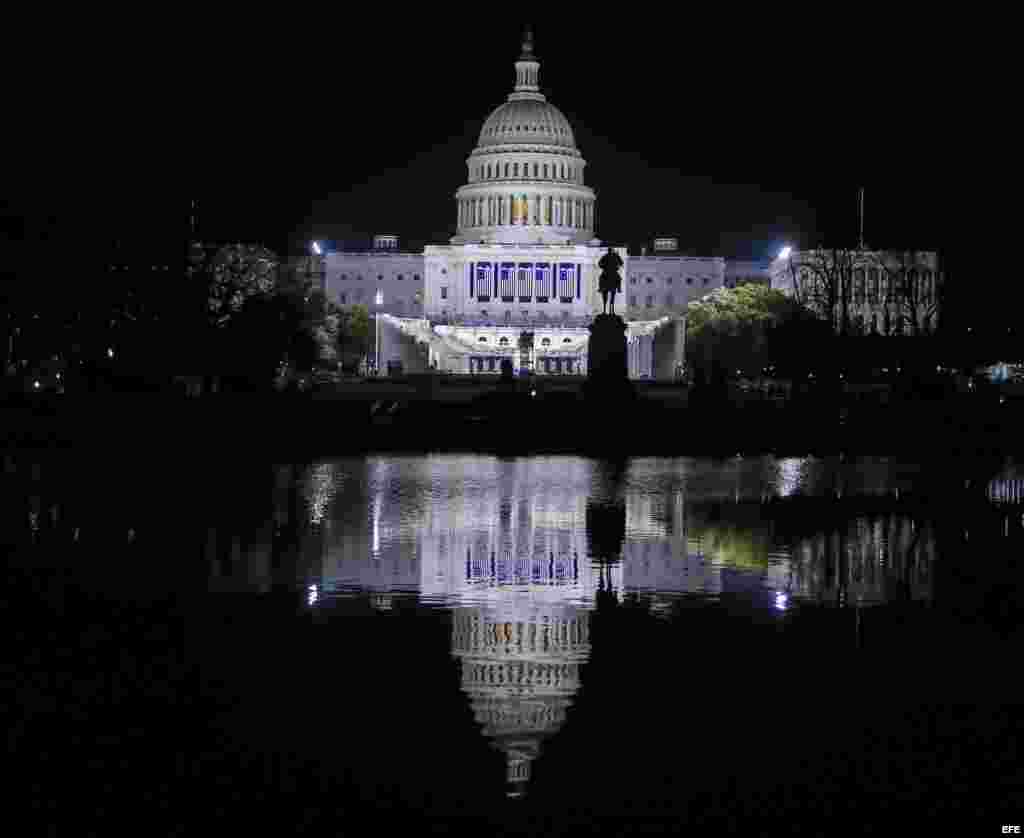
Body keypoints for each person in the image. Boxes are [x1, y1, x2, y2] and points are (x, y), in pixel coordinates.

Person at [597, 247, 624, 315]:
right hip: (613, 271)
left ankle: (601, 288)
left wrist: (603, 266)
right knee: (618, 278)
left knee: (601, 278)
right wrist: (617, 266)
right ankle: (619, 288)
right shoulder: (615, 255)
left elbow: (599, 263)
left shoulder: (606, 256)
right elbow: (621, 263)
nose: (610, 251)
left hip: (606, 272)